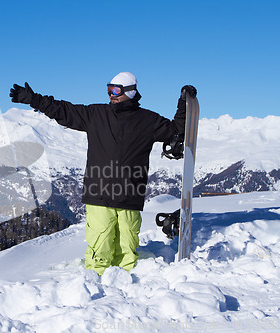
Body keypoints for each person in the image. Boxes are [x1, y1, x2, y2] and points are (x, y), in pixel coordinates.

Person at [10, 72, 196, 275]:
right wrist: (34, 99)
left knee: (128, 245)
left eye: (116, 90)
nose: (111, 94)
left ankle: (129, 286)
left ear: (131, 92)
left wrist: (183, 105)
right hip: (99, 193)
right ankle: (96, 284)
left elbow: (176, 131)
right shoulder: (96, 115)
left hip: (129, 194)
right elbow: (63, 111)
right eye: (109, 89)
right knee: (100, 245)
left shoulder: (148, 121)